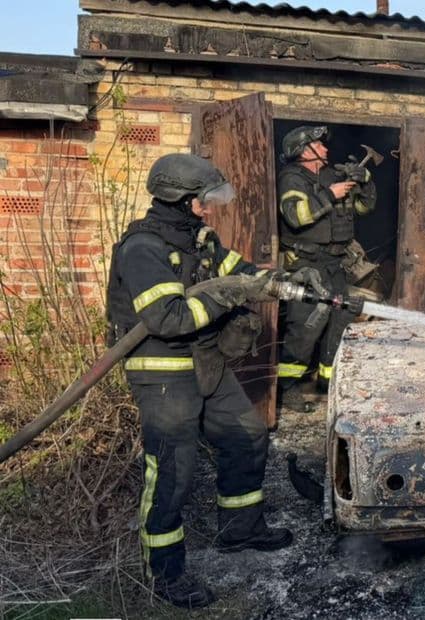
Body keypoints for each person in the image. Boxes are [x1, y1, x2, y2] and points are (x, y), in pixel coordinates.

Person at [105, 153, 297, 608]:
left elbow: (241, 273)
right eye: (203, 200)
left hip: (205, 361)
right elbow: (167, 318)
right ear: (180, 199)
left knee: (248, 435)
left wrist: (283, 282)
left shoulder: (199, 241)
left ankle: (240, 529)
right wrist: (224, 296)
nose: (209, 208)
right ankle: (165, 574)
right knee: (173, 470)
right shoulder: (143, 249)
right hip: (163, 371)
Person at [274, 126, 376, 406]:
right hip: (306, 267)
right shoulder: (291, 179)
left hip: (335, 264)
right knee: (306, 327)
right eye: (319, 145)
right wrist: (330, 195)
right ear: (303, 151)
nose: (326, 149)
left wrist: (365, 181)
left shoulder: (332, 177)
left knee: (338, 322)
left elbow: (364, 209)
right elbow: (295, 217)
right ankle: (287, 388)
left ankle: (328, 383)